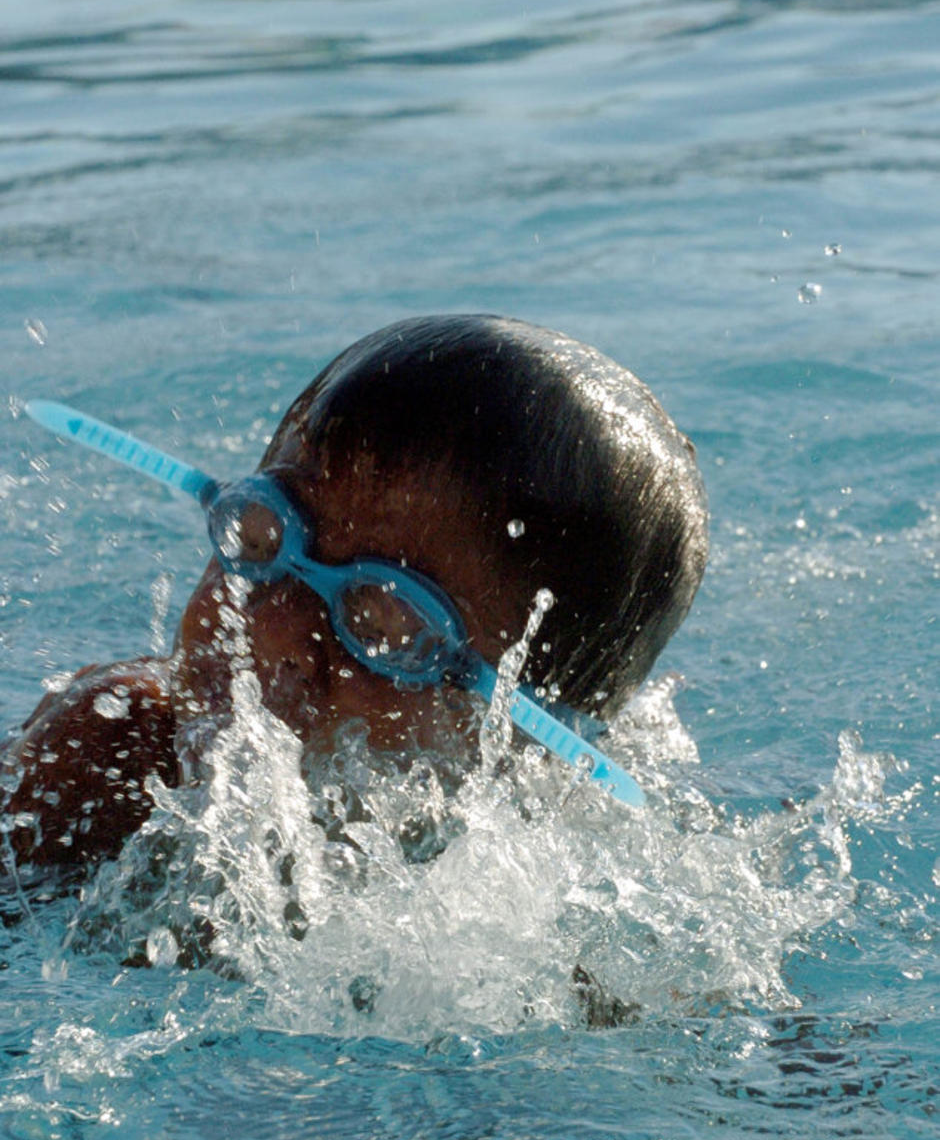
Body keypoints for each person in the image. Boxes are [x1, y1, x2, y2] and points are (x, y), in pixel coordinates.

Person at [2, 315, 707, 873]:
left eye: (384, 625)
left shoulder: (593, 889)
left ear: (532, 739)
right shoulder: (108, 757)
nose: (272, 630)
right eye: (263, 537)